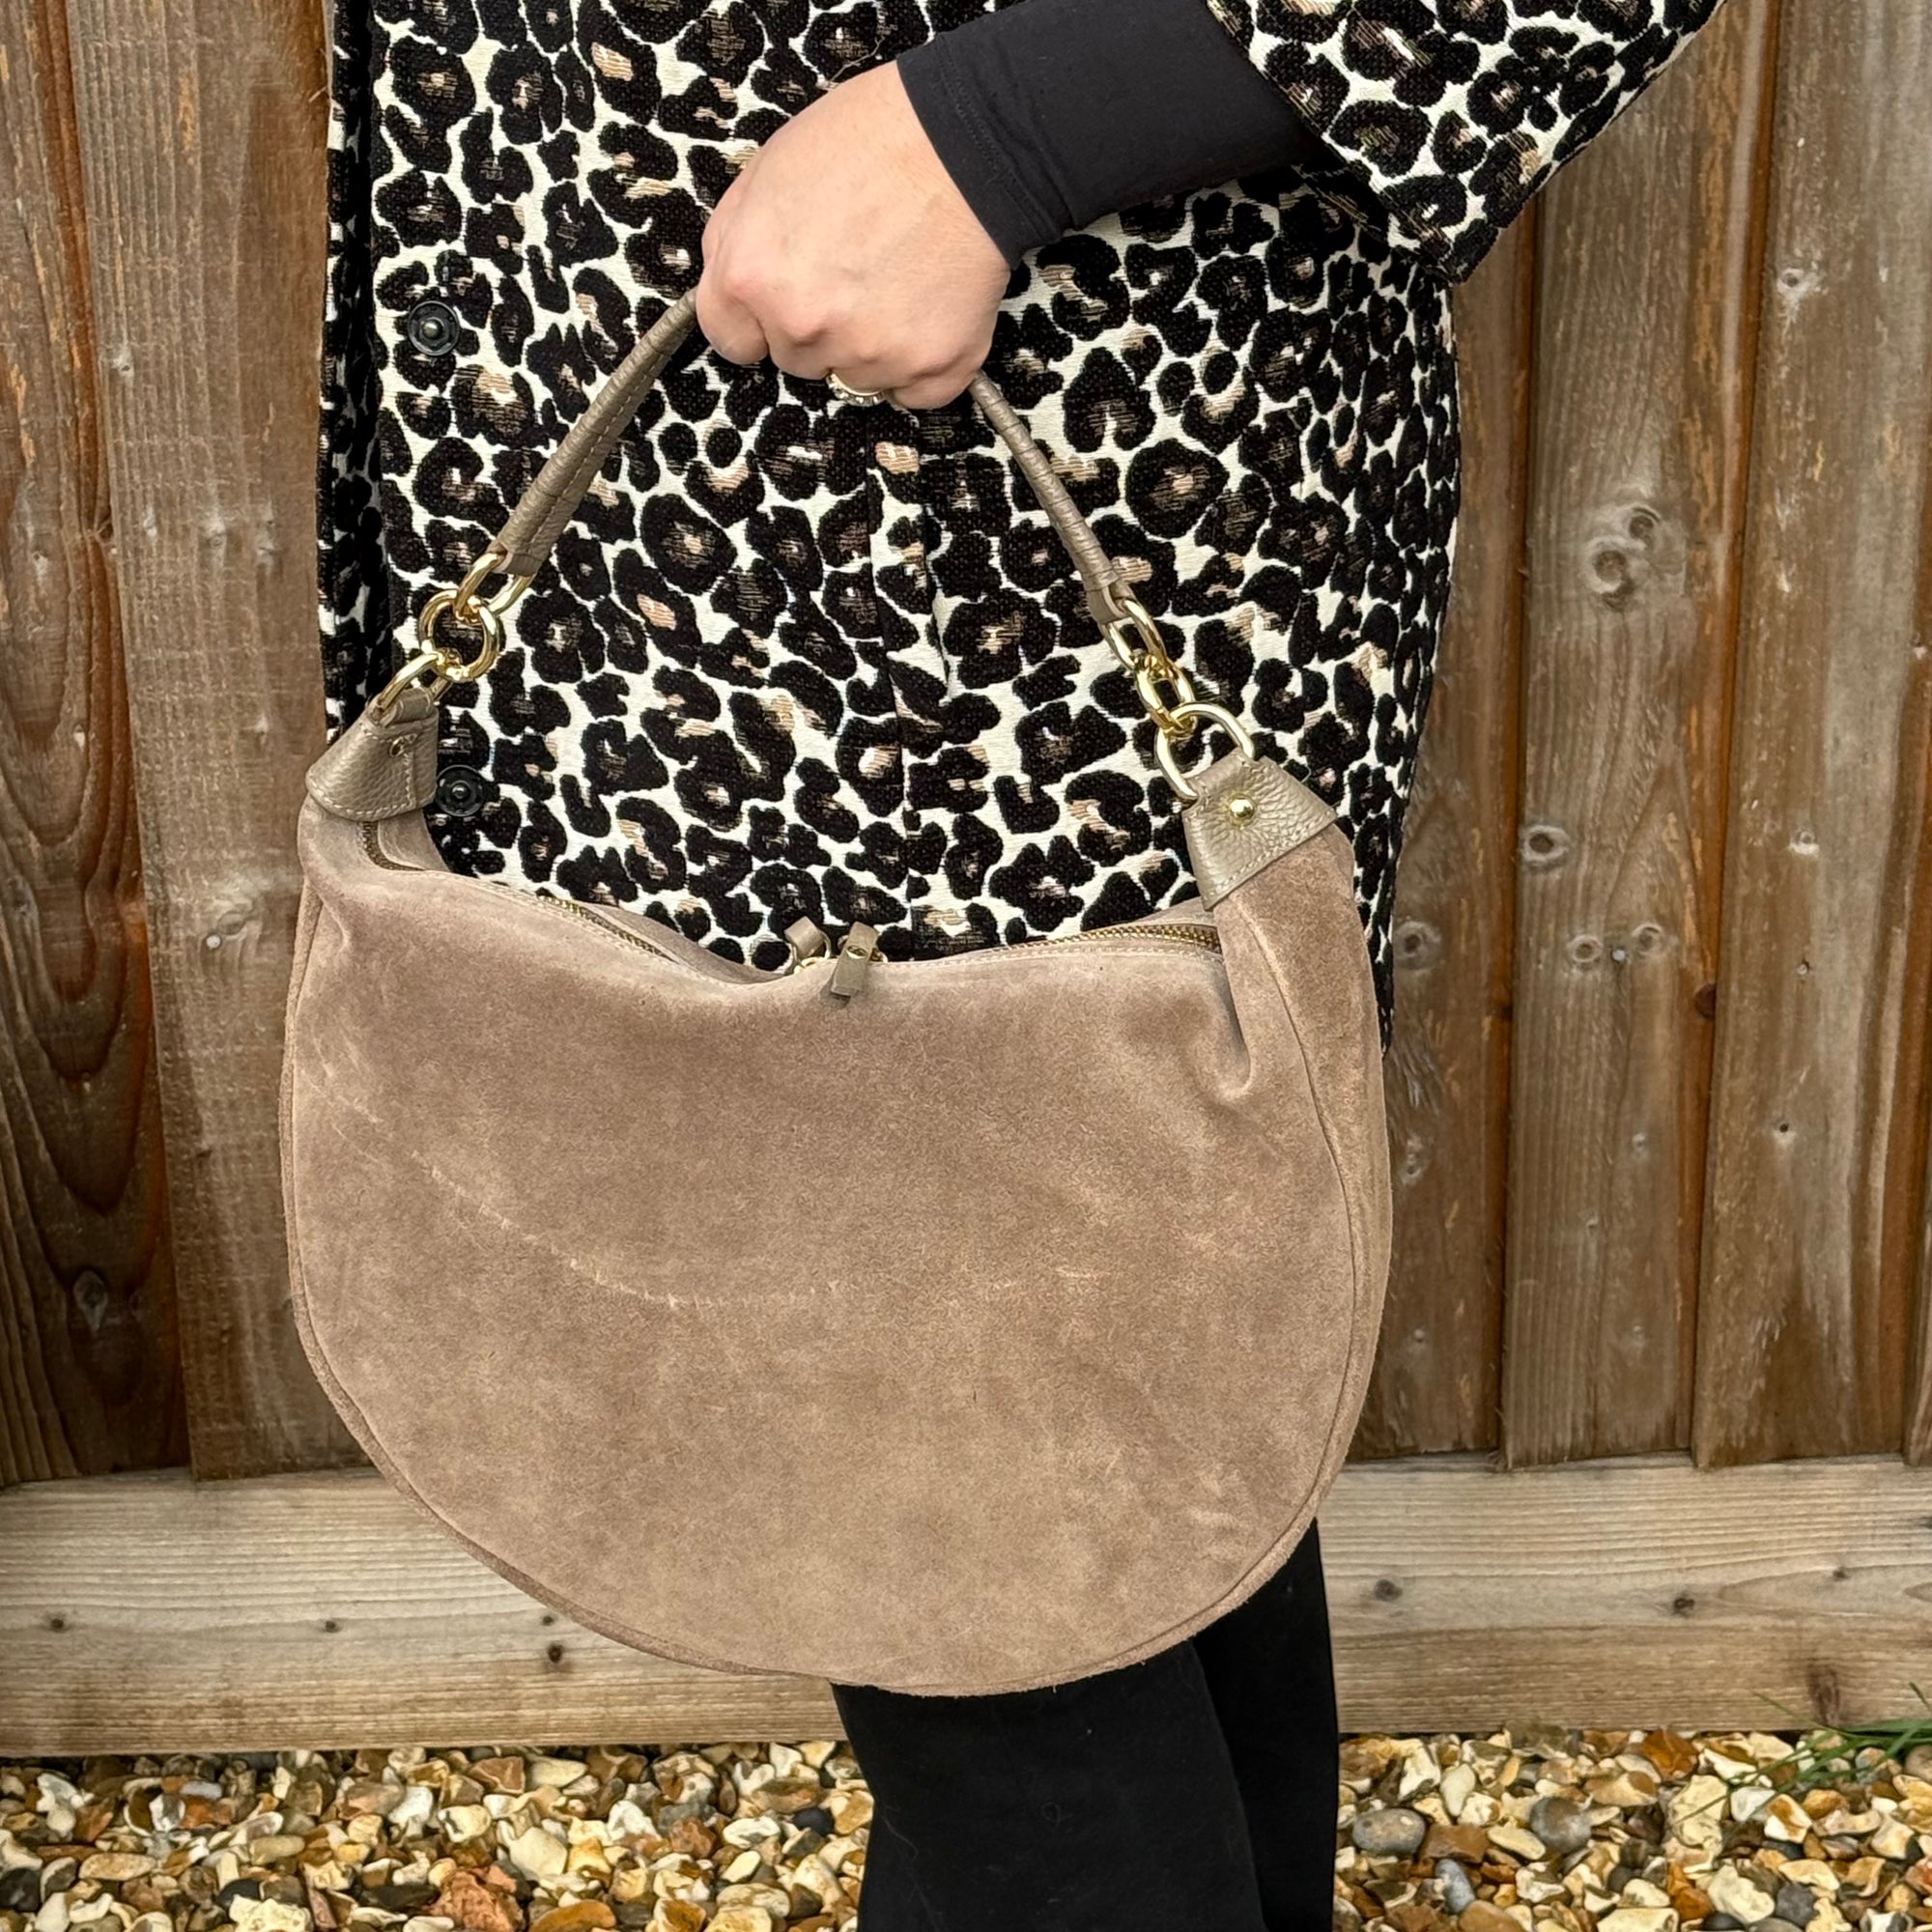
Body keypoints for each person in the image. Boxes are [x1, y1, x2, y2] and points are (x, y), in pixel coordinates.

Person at [314, 0, 1725, 1924]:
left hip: (985, 520)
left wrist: (1002, 130)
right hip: (640, 463)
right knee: (1116, 1435)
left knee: (987, 1487)